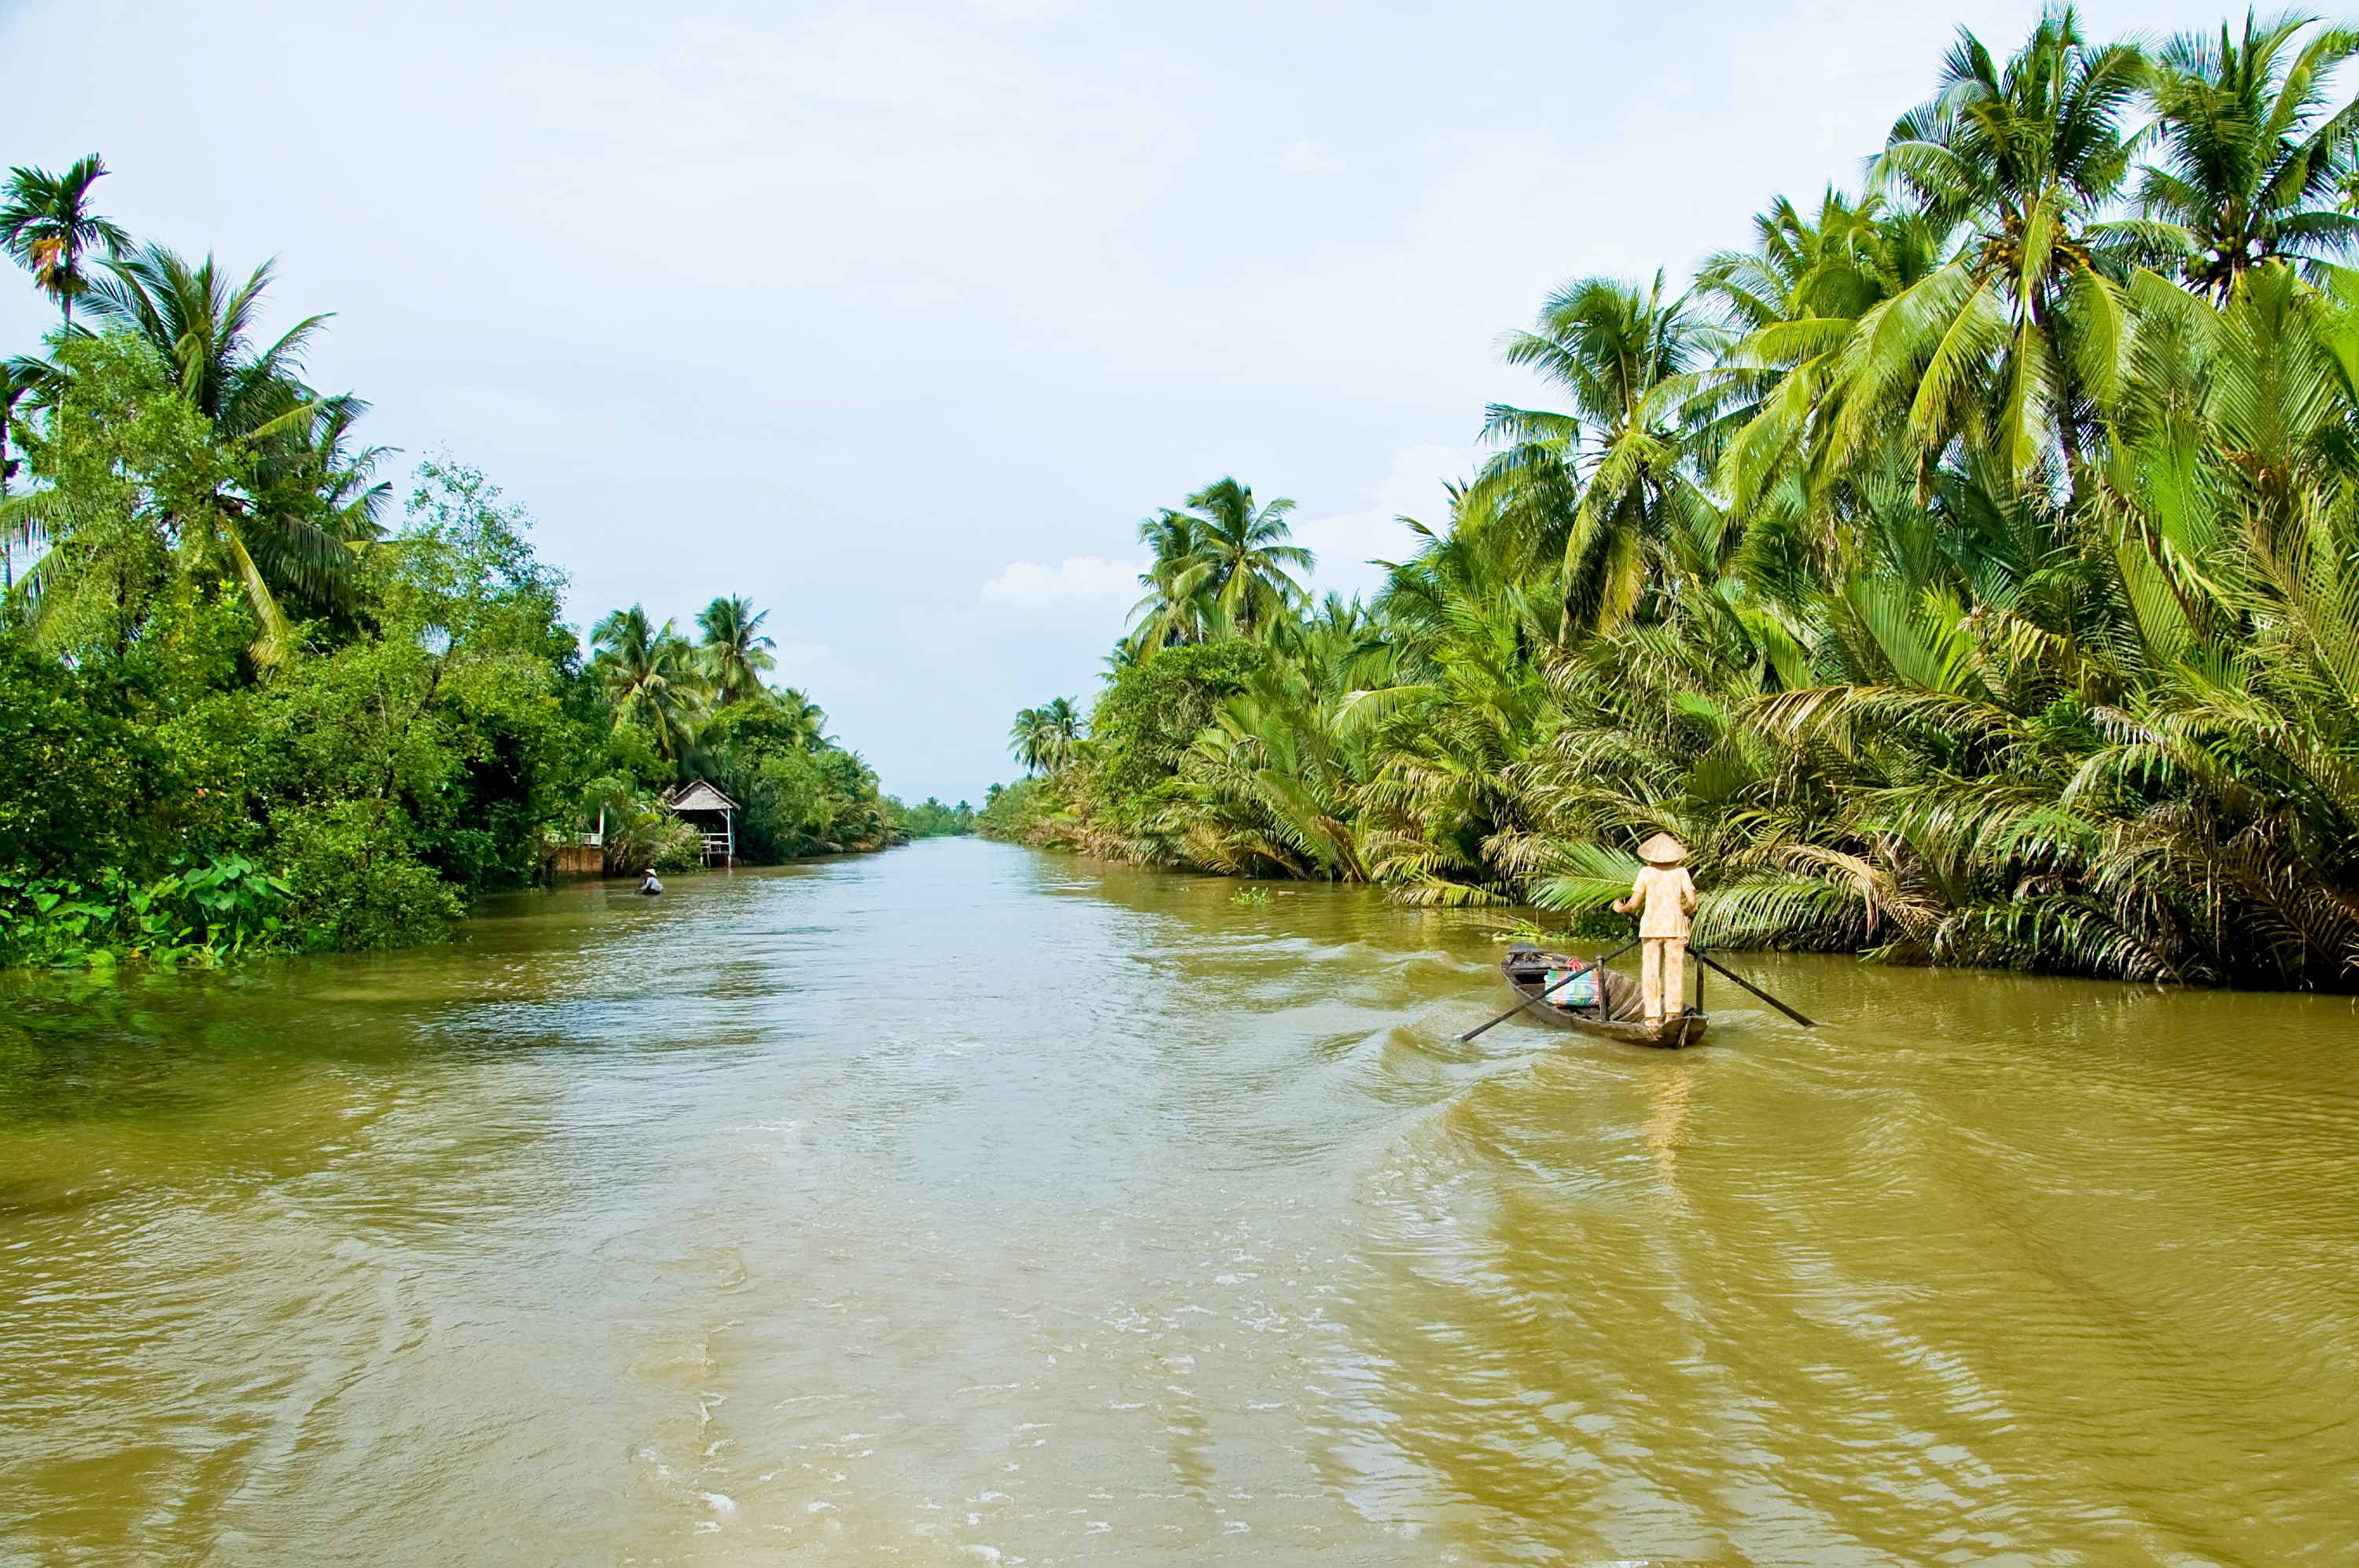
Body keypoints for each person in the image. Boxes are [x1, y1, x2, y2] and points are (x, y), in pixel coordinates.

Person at [1612, 832, 1697, 1025]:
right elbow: (1692, 902)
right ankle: (1672, 1015)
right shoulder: (1682, 872)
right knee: (1674, 972)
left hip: (1651, 928)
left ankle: (1651, 1018)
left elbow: (1634, 904)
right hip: (1675, 929)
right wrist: (1684, 911)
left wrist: (1621, 908)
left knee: (1651, 972)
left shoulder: (1646, 872)